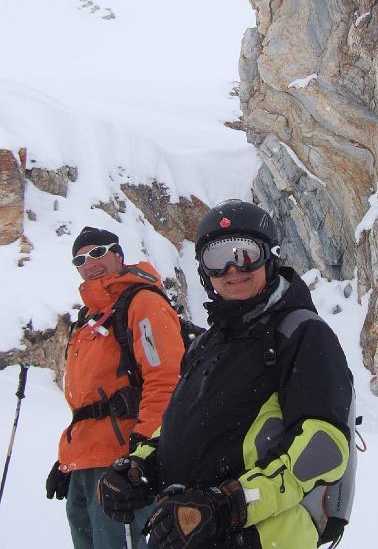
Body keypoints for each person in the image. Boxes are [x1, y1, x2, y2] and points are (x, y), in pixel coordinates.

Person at [96, 199, 354, 549]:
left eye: (245, 254)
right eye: (217, 260)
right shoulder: (207, 343)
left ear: (271, 257)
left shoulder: (302, 333)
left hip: (262, 536)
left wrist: (231, 503)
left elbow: (323, 445)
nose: (233, 270)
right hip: (187, 531)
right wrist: (139, 467)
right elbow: (179, 426)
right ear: (205, 272)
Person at [45, 226, 185, 549]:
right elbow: (86, 403)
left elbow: (166, 379)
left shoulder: (142, 303)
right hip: (86, 468)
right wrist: (68, 460)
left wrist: (142, 451)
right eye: (80, 258)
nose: (89, 262)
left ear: (118, 255)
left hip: (123, 464)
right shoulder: (88, 321)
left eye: (97, 252)